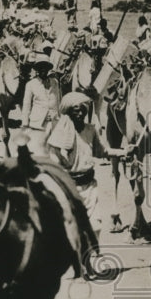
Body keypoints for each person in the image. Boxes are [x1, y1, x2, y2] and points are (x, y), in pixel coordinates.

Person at [46, 91, 121, 235]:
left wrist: (123, 152)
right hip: (69, 188)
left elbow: (103, 151)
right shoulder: (59, 134)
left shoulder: (90, 130)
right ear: (69, 113)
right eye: (76, 111)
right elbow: (54, 162)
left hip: (90, 186)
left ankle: (93, 256)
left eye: (83, 110)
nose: (80, 114)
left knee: (95, 227)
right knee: (71, 229)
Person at [21, 54, 59, 156]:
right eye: (40, 67)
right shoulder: (31, 84)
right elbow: (26, 106)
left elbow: (58, 101)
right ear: (37, 69)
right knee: (39, 151)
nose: (43, 70)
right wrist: (25, 124)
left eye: (45, 68)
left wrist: (57, 117)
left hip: (53, 123)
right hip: (37, 123)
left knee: (53, 152)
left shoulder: (54, 82)